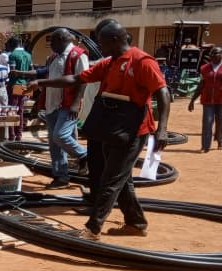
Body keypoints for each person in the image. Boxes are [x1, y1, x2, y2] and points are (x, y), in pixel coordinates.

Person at [28, 22, 171, 239]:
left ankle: (93, 228)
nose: (99, 46)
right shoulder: (109, 63)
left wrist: (162, 129)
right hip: (111, 127)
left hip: (134, 131)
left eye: (102, 42)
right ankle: (136, 222)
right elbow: (76, 79)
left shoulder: (142, 61)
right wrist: (42, 82)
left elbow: (163, 93)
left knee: (111, 178)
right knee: (121, 180)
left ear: (115, 40)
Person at [13, 28, 90, 189]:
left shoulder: (78, 55)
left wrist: (76, 102)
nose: (51, 45)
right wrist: (38, 102)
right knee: (54, 143)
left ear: (62, 39)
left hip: (68, 104)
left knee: (60, 135)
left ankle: (84, 155)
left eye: (53, 41)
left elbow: (82, 80)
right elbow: (45, 75)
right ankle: (61, 176)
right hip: (52, 104)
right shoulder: (54, 57)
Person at [188, 46, 222, 153]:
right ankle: (205, 146)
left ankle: (220, 141)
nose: (212, 57)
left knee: (221, 121)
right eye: (211, 55)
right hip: (207, 100)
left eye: (215, 54)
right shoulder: (205, 68)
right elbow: (201, 85)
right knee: (207, 122)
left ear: (221, 55)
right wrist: (192, 100)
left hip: (221, 100)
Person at [7, 36, 33, 140]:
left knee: (12, 110)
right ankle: (19, 134)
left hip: (15, 85)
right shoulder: (28, 55)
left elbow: (13, 72)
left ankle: (12, 135)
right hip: (25, 85)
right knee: (21, 110)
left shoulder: (12, 55)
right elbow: (32, 70)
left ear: (12, 44)